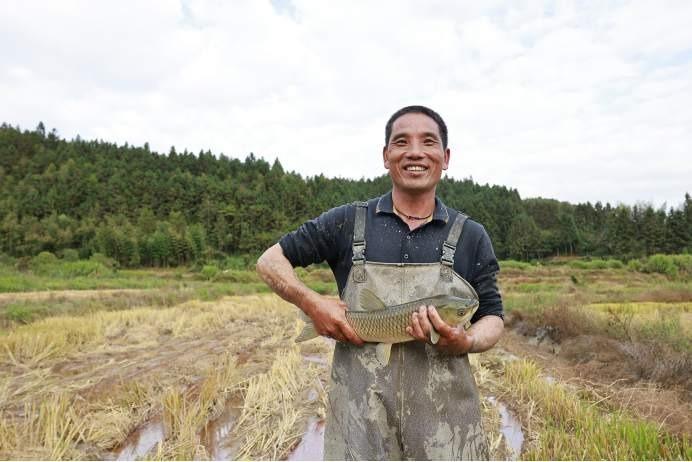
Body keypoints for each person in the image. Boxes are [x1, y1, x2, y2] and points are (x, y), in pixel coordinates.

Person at [256, 105, 504, 460]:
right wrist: (313, 304)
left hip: (446, 430)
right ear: (386, 156)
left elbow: (492, 316)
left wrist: (466, 340)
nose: (415, 152)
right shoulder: (346, 222)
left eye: (428, 142)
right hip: (361, 426)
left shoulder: (471, 236)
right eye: (401, 142)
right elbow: (269, 262)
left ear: (445, 157)